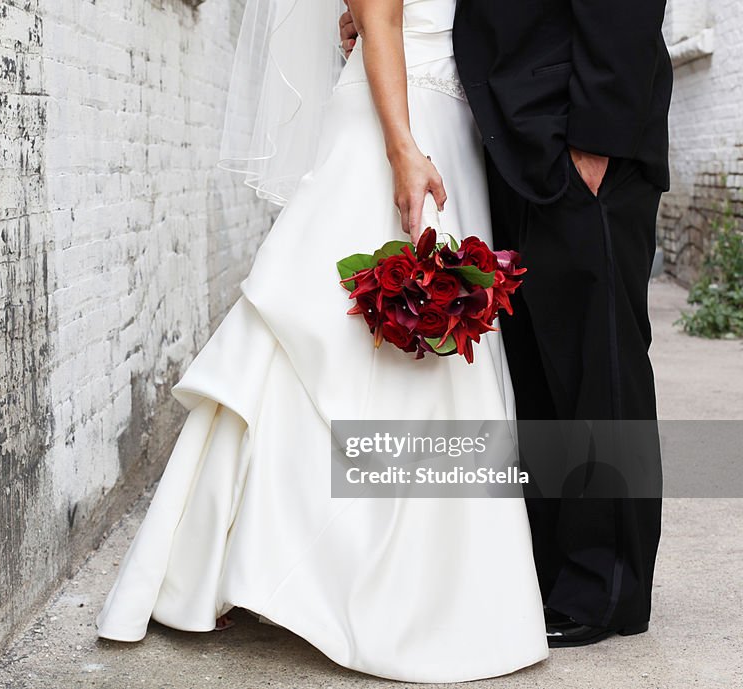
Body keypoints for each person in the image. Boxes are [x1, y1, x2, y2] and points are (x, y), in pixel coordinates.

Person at [96, 0, 550, 682]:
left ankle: (406, 576)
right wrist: (403, 150)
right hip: (401, 120)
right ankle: (324, 577)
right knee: (347, 327)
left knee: (410, 336)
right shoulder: (401, 129)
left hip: (438, 110)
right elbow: (383, 15)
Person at [341, 0, 672, 647]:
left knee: (596, 360)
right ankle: (558, 569)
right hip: (514, 135)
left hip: (578, 127)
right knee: (540, 367)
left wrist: (596, 133)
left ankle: (607, 584)